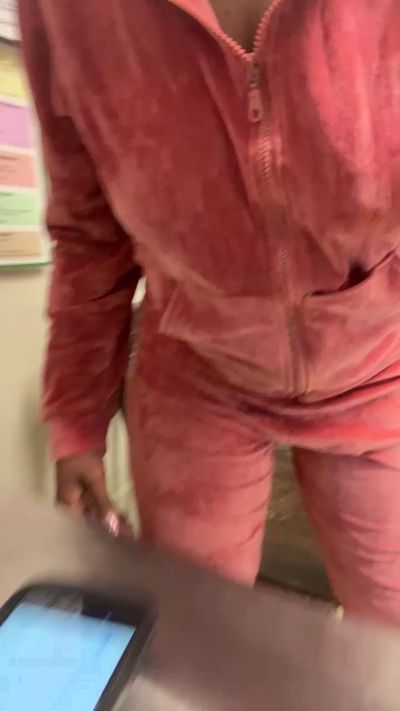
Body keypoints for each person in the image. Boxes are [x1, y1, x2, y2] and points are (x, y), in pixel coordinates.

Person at [19, 0, 400, 626]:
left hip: (379, 360)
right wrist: (77, 418)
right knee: (191, 631)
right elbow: (89, 234)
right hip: (196, 371)